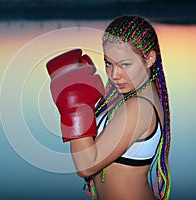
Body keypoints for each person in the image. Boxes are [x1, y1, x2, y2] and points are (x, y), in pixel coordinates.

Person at [46, 15, 171, 200]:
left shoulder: (140, 106)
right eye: (108, 63)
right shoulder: (128, 98)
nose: (114, 75)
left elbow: (86, 165)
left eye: (125, 64)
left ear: (150, 58)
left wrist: (76, 108)